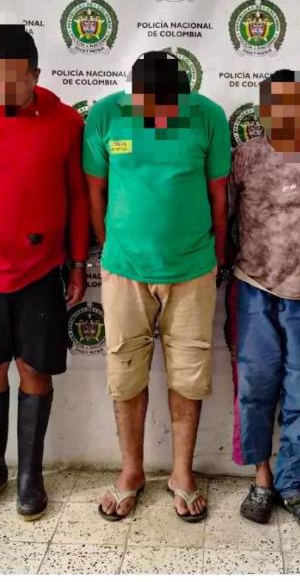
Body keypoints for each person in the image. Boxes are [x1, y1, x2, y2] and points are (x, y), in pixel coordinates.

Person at [83, 51, 230, 522]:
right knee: (125, 373)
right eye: (150, 106)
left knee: (188, 376)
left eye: (169, 106)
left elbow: (219, 196)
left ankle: (182, 473)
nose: (160, 115)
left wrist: (216, 259)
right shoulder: (106, 115)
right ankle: (131, 471)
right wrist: (110, 249)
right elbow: (95, 190)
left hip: (192, 269)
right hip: (124, 271)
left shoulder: (208, 116)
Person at [0, 24, 89, 520]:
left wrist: (78, 263)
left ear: (35, 75)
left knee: (35, 370)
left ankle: (30, 476)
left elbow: (78, 197)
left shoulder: (65, 122)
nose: (1, 89)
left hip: (39, 272)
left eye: (13, 79)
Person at [225, 70, 300, 531]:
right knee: (254, 385)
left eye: (297, 103)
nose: (287, 113)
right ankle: (262, 478)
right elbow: (225, 217)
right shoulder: (246, 157)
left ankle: (293, 484)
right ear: (263, 110)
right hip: (253, 287)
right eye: (277, 104)